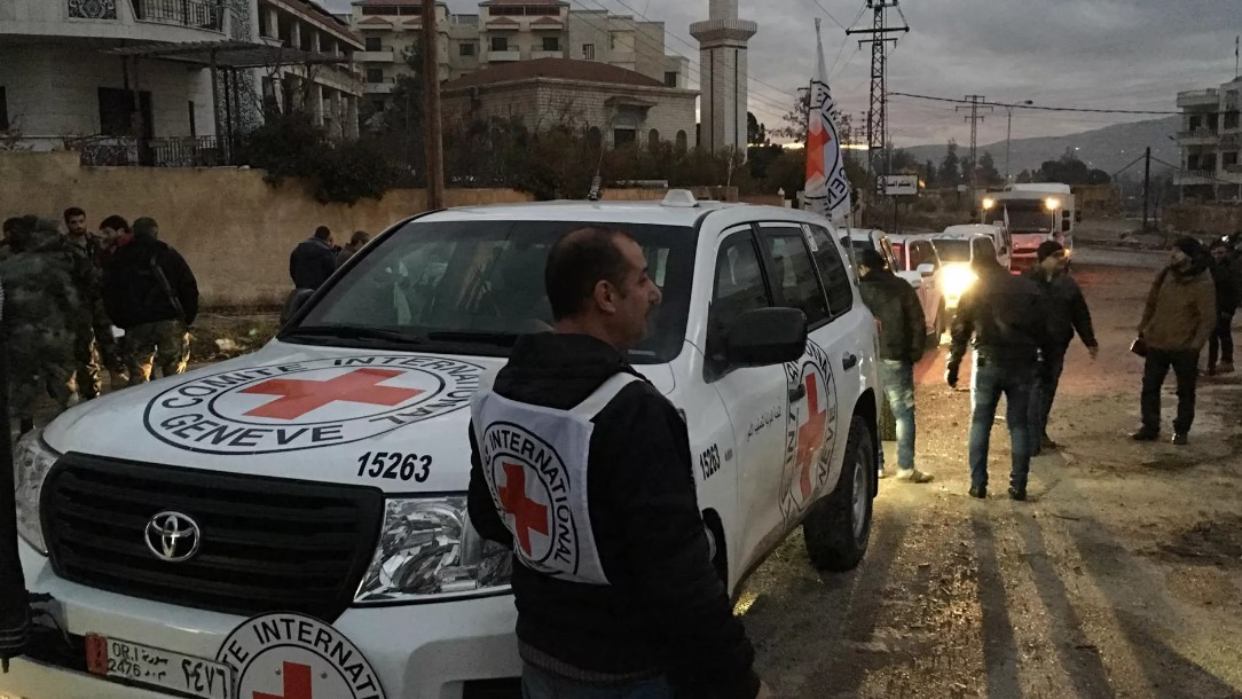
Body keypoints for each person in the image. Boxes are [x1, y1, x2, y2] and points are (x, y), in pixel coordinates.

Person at [467, 227, 767, 699]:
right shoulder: (632, 411)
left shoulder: (498, 393)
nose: (655, 292)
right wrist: (740, 684)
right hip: (628, 675)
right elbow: (682, 581)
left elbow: (490, 517)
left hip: (541, 657)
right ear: (606, 296)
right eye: (644, 279)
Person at [947, 240, 1050, 501]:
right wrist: (1041, 362)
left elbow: (960, 330)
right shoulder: (1026, 287)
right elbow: (1044, 329)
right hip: (1022, 364)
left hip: (988, 361)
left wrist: (954, 364)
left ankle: (978, 484)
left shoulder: (974, 290)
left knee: (981, 421)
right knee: (1018, 424)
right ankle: (1019, 485)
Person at [856, 248, 933, 484]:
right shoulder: (901, 287)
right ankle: (905, 466)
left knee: (873, 413)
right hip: (896, 357)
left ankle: (877, 465)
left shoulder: (859, 290)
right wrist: (914, 352)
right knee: (903, 413)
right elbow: (917, 321)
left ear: (863, 267)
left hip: (867, 358)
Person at [0, 218, 82, 433]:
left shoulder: (6, 267)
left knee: (24, 386)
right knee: (63, 384)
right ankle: (71, 428)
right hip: (54, 335)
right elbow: (71, 301)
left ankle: (26, 429)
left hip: (20, 337)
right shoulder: (53, 265)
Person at [1133, 237, 1216, 446]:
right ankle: (1150, 426)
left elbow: (1208, 318)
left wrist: (1195, 345)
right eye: (1173, 250)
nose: (1172, 254)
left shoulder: (1203, 282)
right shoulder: (1166, 275)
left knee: (1185, 391)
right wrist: (1144, 328)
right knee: (1150, 387)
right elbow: (1152, 302)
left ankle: (1181, 430)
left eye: (1178, 251)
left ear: (1189, 256)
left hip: (1184, 347)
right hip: (1157, 343)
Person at [102, 217, 199, 385]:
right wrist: (187, 317)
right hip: (169, 321)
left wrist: (120, 321)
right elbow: (188, 286)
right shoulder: (167, 253)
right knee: (175, 375)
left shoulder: (120, 257)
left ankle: (142, 408)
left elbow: (110, 292)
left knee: (139, 376)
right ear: (155, 232)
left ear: (134, 232)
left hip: (136, 324)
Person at [1024, 241, 1098, 455]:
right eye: (1055, 256)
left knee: (1047, 390)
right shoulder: (1027, 282)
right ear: (1042, 259)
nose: (1061, 260)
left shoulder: (1067, 285)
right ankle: (1031, 437)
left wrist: (1089, 341)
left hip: (1056, 346)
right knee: (1034, 391)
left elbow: (1080, 314)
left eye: (1062, 255)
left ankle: (1039, 432)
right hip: (1031, 347)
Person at [61, 206, 118, 400]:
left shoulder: (96, 243)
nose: (78, 226)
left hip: (101, 300)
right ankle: (92, 392)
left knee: (110, 342)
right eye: (73, 222)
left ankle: (118, 381)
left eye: (80, 221)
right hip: (79, 303)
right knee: (85, 349)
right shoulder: (63, 247)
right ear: (67, 224)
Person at [1207, 239, 1238, 376]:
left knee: (1223, 333)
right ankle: (1212, 364)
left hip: (1224, 307)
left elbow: (1233, 290)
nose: (1218, 256)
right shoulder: (1212, 267)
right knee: (1213, 335)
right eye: (1215, 253)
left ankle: (1226, 361)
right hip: (1214, 305)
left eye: (1221, 253)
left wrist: (1228, 309)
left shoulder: (1231, 268)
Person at [289, 226, 337, 290]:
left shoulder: (298, 250)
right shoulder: (326, 252)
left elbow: (292, 270)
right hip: (320, 291)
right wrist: (331, 247)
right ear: (328, 238)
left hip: (301, 289)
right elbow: (332, 273)